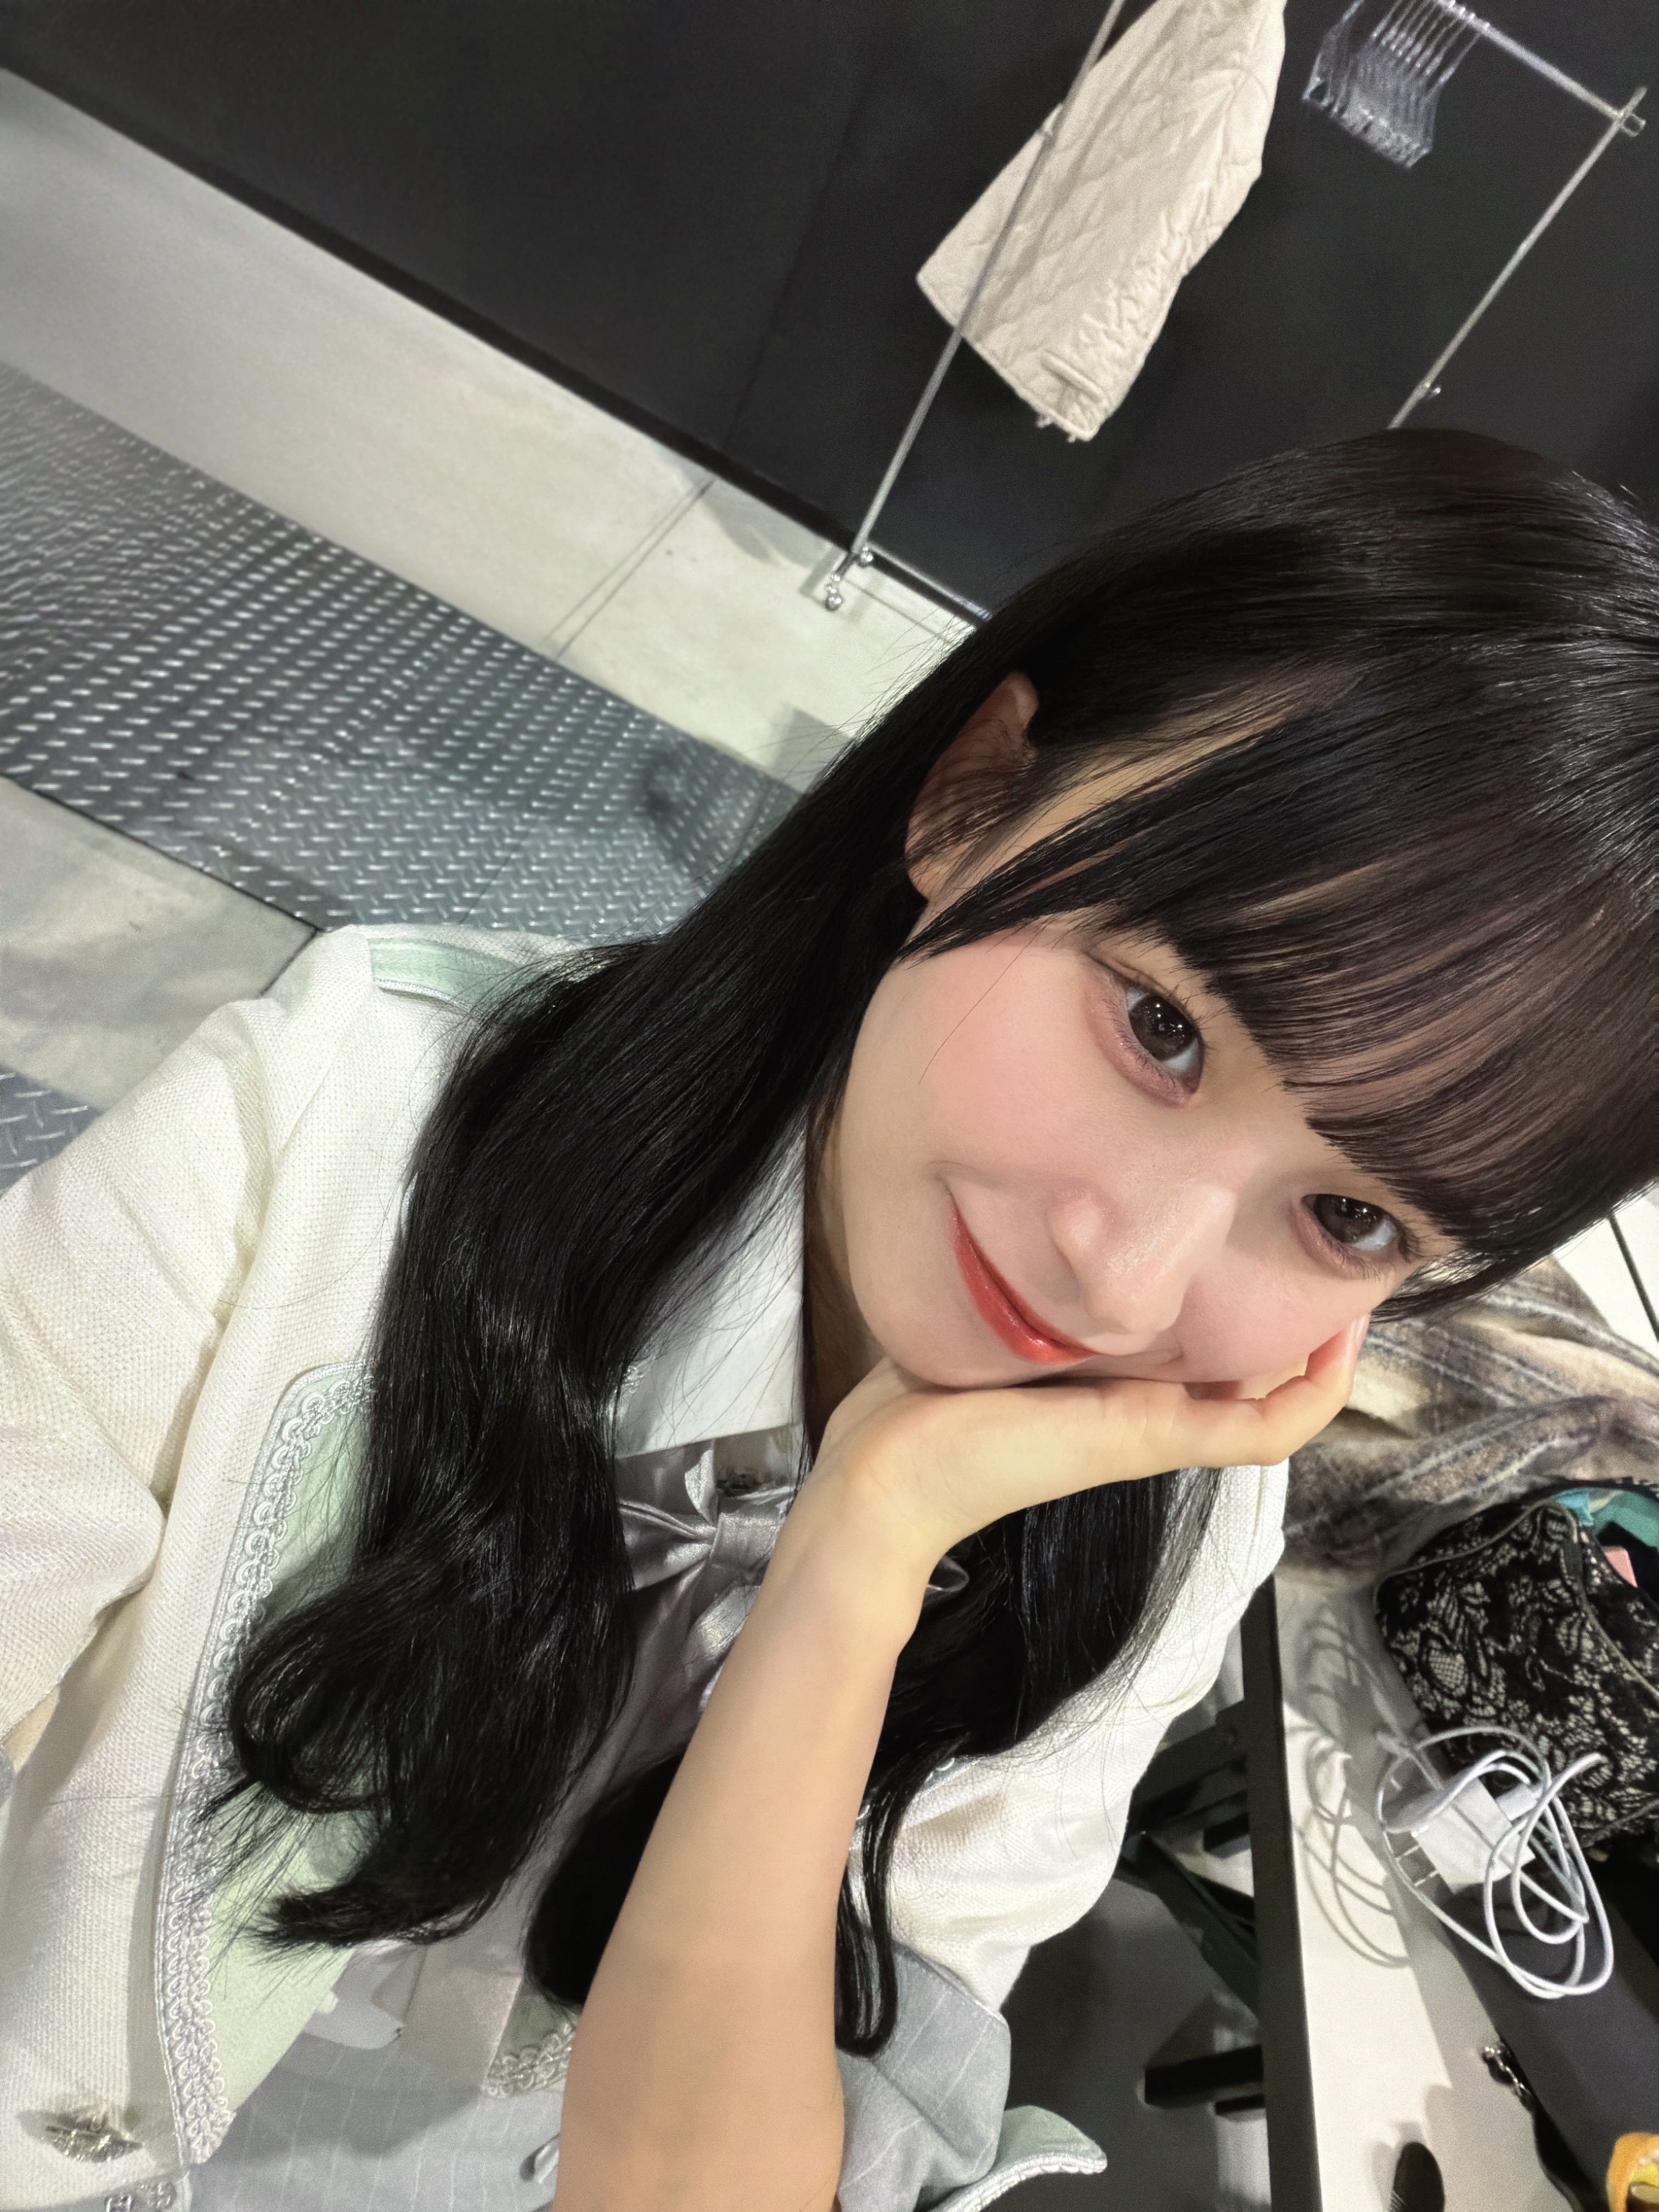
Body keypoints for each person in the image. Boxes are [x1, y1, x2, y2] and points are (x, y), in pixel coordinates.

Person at [2, 429, 1656, 2212]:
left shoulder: (1172, 1532)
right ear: (972, 799)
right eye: (1162, 1026)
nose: (1122, 1284)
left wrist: (866, 1546)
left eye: (1350, 1216)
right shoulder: (328, 1134)